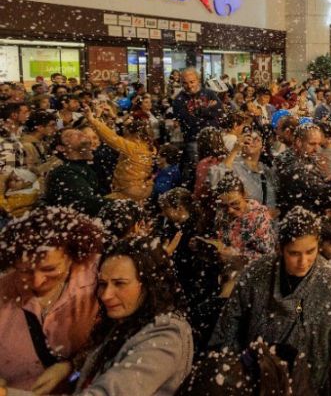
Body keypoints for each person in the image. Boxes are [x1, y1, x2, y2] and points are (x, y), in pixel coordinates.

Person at [209, 206, 331, 395]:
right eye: (294, 253)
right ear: (280, 249)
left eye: (310, 251)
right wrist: (227, 368)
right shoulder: (257, 273)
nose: (303, 261)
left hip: (309, 382)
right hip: (257, 380)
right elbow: (230, 324)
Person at [63, 237, 194, 395]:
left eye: (120, 283)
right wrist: (69, 367)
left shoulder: (166, 335)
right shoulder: (127, 319)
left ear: (149, 285)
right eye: (103, 284)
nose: (106, 295)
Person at [0, 207, 104, 392]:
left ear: (73, 256)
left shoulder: (100, 281)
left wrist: (72, 366)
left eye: (50, 269)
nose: (37, 281)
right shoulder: (4, 290)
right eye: (25, 271)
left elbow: (115, 341)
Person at [85, 106, 156, 202]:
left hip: (130, 191)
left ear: (134, 134)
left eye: (126, 133)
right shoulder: (148, 146)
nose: (124, 136)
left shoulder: (133, 148)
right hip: (142, 189)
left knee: (97, 205)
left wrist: (92, 119)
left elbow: (110, 137)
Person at [41, 128, 104, 216]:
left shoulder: (93, 164)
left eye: (80, 132)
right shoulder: (63, 172)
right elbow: (87, 204)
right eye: (70, 135)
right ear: (61, 148)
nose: (80, 134)